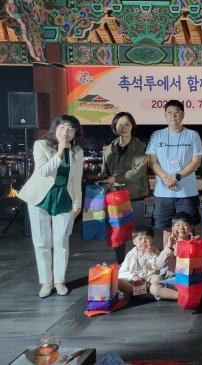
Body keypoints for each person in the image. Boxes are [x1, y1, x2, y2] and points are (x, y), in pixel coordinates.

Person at [18, 115, 84, 298]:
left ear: (75, 132)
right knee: (42, 242)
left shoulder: (78, 151)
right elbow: (43, 171)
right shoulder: (41, 145)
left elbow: (77, 180)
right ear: (55, 129)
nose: (66, 132)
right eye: (62, 127)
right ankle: (46, 282)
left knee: (61, 241)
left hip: (64, 197)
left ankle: (59, 281)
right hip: (41, 197)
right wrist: (60, 151)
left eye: (70, 128)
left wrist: (77, 204)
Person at [146, 100, 202, 246]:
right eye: (169, 112)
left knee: (188, 229)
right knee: (166, 228)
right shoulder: (157, 135)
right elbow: (152, 161)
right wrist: (166, 178)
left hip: (186, 192)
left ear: (182, 115)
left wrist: (176, 177)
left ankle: (189, 258)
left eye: (177, 112)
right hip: (163, 192)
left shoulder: (193, 135)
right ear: (165, 115)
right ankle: (168, 257)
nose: (173, 115)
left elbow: (196, 161)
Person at [98, 112, 149, 264]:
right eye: (119, 124)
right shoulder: (110, 148)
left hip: (134, 195)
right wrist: (104, 180)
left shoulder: (140, 147)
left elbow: (137, 171)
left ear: (132, 126)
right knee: (118, 232)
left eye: (127, 124)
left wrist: (114, 179)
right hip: (115, 197)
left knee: (138, 233)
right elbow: (103, 171)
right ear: (114, 127)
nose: (123, 127)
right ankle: (121, 264)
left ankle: (140, 264)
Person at [150, 212, 198, 301]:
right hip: (174, 279)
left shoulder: (196, 242)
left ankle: (184, 294)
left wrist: (201, 247)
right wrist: (169, 247)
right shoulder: (171, 244)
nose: (181, 228)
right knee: (154, 288)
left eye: (184, 225)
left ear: (191, 227)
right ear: (172, 228)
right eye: (177, 225)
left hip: (191, 279)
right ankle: (184, 297)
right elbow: (160, 265)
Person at [118, 226, 164, 299]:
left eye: (147, 238)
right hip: (135, 281)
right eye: (140, 239)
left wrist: (154, 254)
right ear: (134, 242)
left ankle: (139, 292)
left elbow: (160, 267)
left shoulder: (155, 252)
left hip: (149, 279)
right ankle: (147, 291)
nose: (143, 241)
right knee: (119, 282)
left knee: (157, 278)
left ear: (152, 240)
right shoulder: (130, 255)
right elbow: (122, 272)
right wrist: (133, 276)